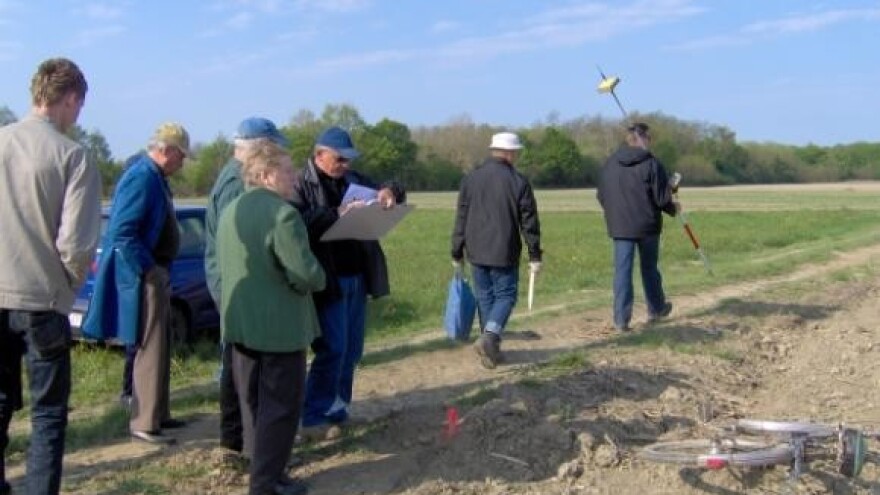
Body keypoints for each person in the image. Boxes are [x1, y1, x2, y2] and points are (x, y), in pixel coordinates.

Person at [0, 57, 100, 495]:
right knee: (47, 414)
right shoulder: (72, 155)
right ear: (71, 99)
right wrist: (67, 288)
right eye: (79, 107)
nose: (78, 117)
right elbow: (77, 245)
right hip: (41, 300)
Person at [218, 140, 325, 495]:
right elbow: (306, 273)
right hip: (278, 327)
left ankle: (269, 473)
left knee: (254, 404)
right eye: (287, 171)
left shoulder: (230, 210)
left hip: (240, 326)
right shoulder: (283, 214)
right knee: (280, 407)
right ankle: (265, 484)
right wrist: (316, 277)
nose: (294, 178)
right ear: (265, 175)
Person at [82, 122, 192, 445]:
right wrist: (149, 269)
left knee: (161, 347)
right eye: (181, 155)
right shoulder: (142, 177)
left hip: (155, 272)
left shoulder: (155, 177)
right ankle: (144, 422)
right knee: (149, 348)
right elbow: (123, 232)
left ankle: (160, 414)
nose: (182, 162)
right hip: (144, 275)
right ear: (167, 150)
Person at [292, 126, 405, 432]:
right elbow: (297, 224)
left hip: (358, 275)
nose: (345, 166)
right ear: (318, 155)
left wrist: (389, 192)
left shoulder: (353, 180)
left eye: (349, 160)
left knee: (353, 350)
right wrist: (336, 214)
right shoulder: (299, 184)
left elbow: (389, 186)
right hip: (327, 279)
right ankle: (313, 415)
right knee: (333, 348)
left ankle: (338, 408)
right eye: (339, 159)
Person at [204, 117, 290, 456]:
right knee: (242, 369)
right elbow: (240, 238)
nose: (275, 153)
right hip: (234, 283)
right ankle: (240, 441)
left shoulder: (234, 174)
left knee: (238, 364)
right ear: (256, 146)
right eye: (271, 147)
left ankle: (237, 440)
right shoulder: (236, 183)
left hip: (231, 280)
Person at [451, 131, 543, 369]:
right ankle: (490, 337)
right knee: (506, 296)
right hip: (504, 250)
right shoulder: (519, 182)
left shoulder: (470, 179)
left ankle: (490, 351)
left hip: (475, 249)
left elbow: (461, 216)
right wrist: (534, 254)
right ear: (511, 153)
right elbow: (529, 222)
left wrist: (456, 250)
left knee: (486, 297)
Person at [596, 122, 678, 331]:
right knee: (649, 268)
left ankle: (621, 320)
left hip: (620, 226)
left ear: (628, 140)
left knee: (622, 272)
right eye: (649, 138)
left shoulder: (610, 163)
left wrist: (614, 214)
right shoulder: (652, 163)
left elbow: (601, 195)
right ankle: (656, 309)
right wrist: (673, 206)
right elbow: (661, 199)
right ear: (644, 139)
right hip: (647, 226)